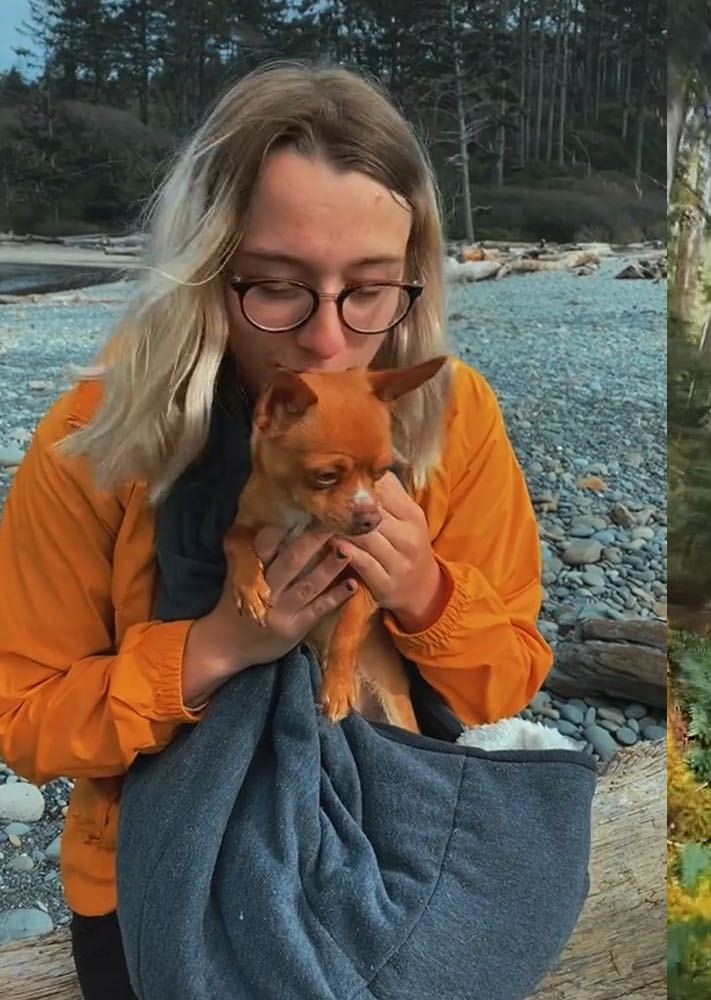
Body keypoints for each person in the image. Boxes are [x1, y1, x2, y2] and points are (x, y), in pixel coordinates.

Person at [0, 63, 552, 1000]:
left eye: (371, 290)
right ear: (208, 270)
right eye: (278, 287)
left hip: (394, 835)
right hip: (164, 876)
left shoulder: (452, 421)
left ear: (414, 281)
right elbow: (25, 724)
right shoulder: (93, 441)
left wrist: (423, 595)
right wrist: (214, 648)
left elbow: (510, 684)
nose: (329, 342)